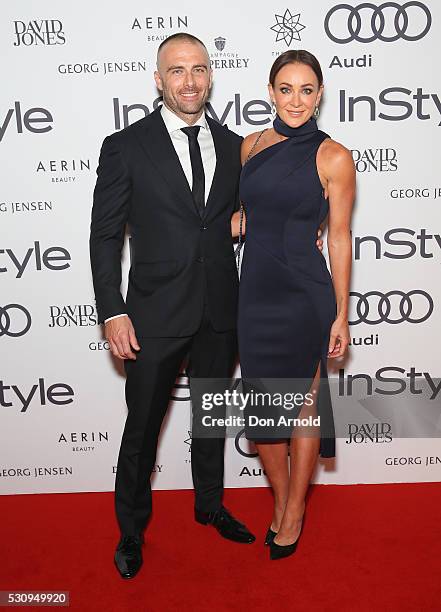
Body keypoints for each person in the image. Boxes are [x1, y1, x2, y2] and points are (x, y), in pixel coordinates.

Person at [90, 33, 257, 580]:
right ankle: (131, 531)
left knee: (210, 417)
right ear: (158, 80)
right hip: (153, 314)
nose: (190, 81)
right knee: (142, 427)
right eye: (177, 71)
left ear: (211, 76)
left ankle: (209, 504)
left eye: (200, 69)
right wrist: (112, 310)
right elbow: (105, 236)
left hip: (218, 310)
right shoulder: (126, 145)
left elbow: (220, 221)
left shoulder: (235, 145)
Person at [237, 50, 355, 560]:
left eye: (307, 90)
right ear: (270, 91)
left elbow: (341, 238)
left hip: (305, 293)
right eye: (286, 89)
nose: (296, 100)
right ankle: (283, 499)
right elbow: (245, 215)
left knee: (304, 406)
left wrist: (341, 313)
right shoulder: (249, 146)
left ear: (320, 95)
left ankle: (295, 510)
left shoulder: (334, 156)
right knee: (264, 407)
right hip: (255, 291)